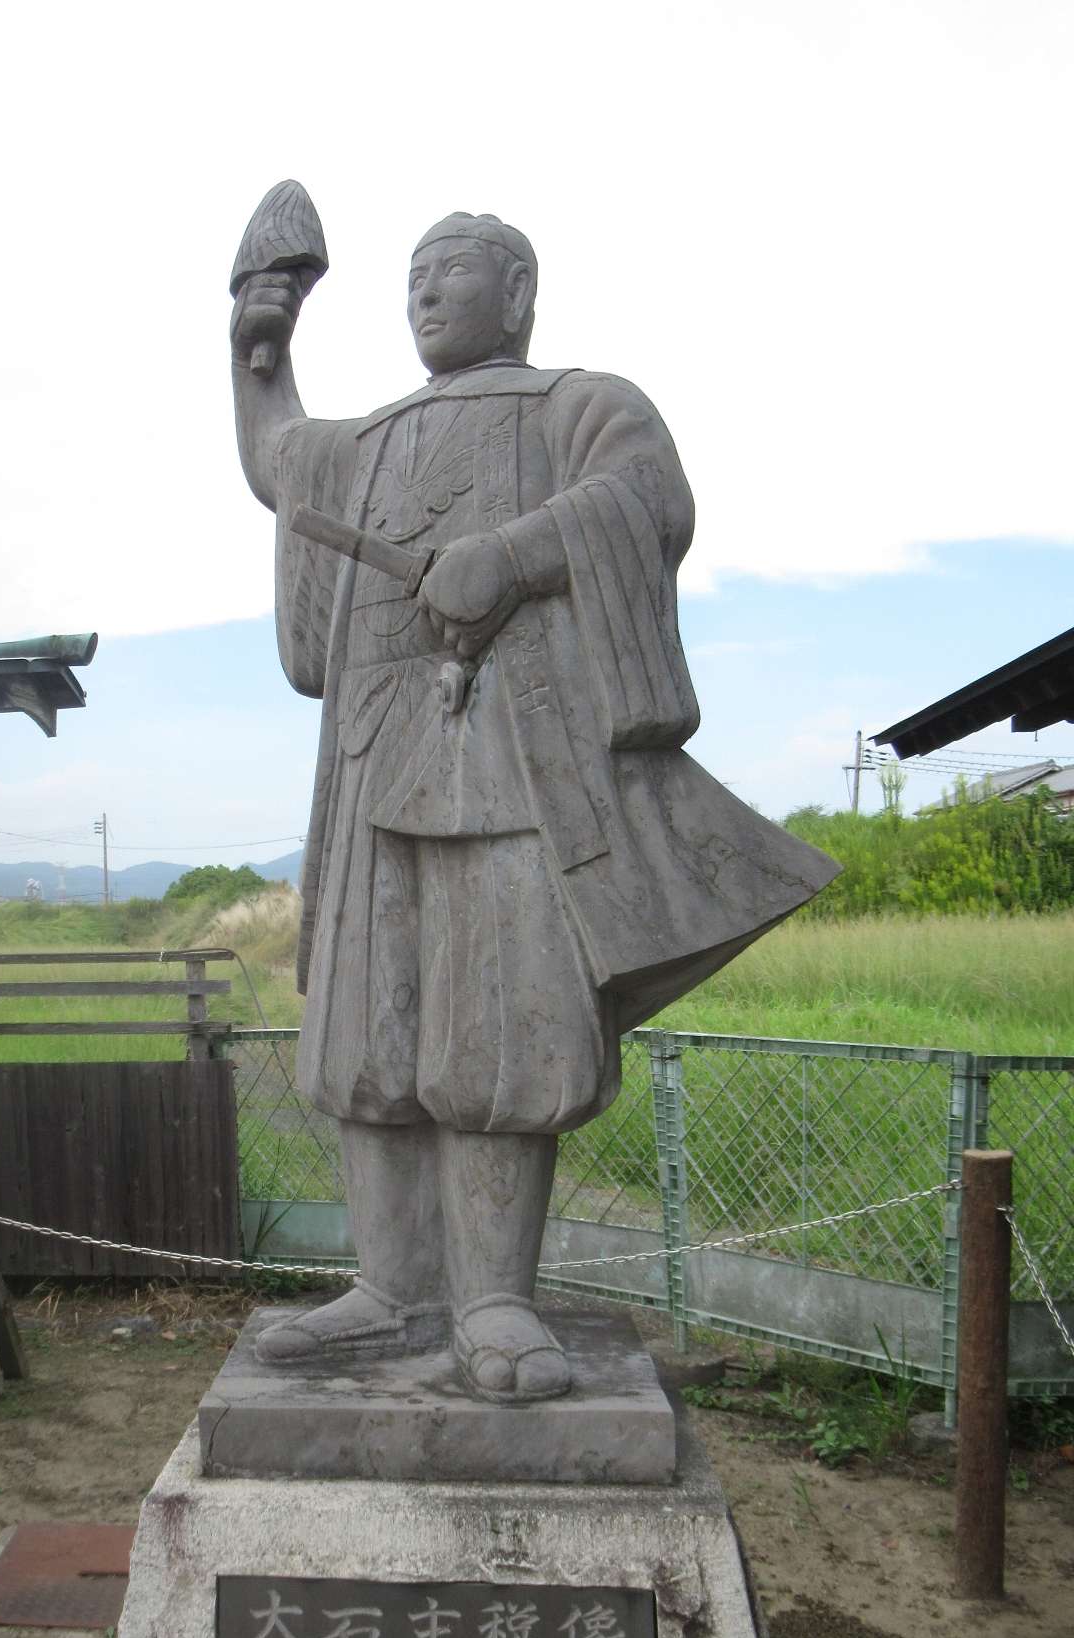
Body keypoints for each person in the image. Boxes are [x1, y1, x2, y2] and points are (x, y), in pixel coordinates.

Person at [230, 207, 837, 1403]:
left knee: (496, 1034)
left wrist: (509, 556)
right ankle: (389, 1286)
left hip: (512, 767)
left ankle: (493, 1300)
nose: (424, 291)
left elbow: (647, 497)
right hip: (373, 759)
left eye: (451, 270)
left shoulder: (578, 403)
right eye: (413, 275)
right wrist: (260, 349)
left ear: (517, 293)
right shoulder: (372, 437)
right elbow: (279, 460)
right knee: (369, 1031)